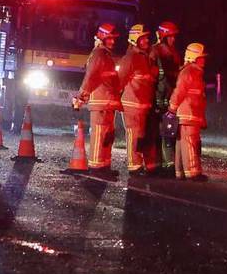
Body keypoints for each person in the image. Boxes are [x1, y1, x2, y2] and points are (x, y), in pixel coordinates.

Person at [75, 22, 122, 175]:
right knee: (100, 134)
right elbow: (90, 77)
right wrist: (81, 96)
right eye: (109, 39)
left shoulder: (105, 55)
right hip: (101, 101)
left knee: (108, 136)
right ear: (102, 38)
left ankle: (104, 166)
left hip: (107, 102)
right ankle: (96, 167)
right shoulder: (99, 54)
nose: (113, 42)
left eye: (114, 39)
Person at [118, 24, 160, 175]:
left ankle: (140, 164)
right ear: (136, 40)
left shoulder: (145, 58)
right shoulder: (130, 58)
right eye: (144, 38)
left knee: (141, 136)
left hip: (143, 105)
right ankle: (134, 166)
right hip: (131, 104)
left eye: (147, 38)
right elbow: (119, 81)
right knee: (134, 135)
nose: (147, 41)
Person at [169, 42, 208, 179]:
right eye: (201, 58)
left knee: (182, 143)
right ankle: (193, 173)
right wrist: (172, 109)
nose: (204, 60)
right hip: (188, 114)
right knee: (191, 143)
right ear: (193, 58)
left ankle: (180, 172)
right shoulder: (189, 72)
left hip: (190, 113)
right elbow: (179, 92)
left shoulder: (193, 72)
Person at [149, 21, 182, 176]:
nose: (173, 40)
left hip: (169, 98)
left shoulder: (174, 53)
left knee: (169, 133)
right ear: (163, 37)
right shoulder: (154, 51)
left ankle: (169, 165)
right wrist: (155, 99)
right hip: (157, 99)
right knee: (157, 133)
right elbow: (153, 78)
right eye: (170, 37)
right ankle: (158, 165)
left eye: (174, 37)